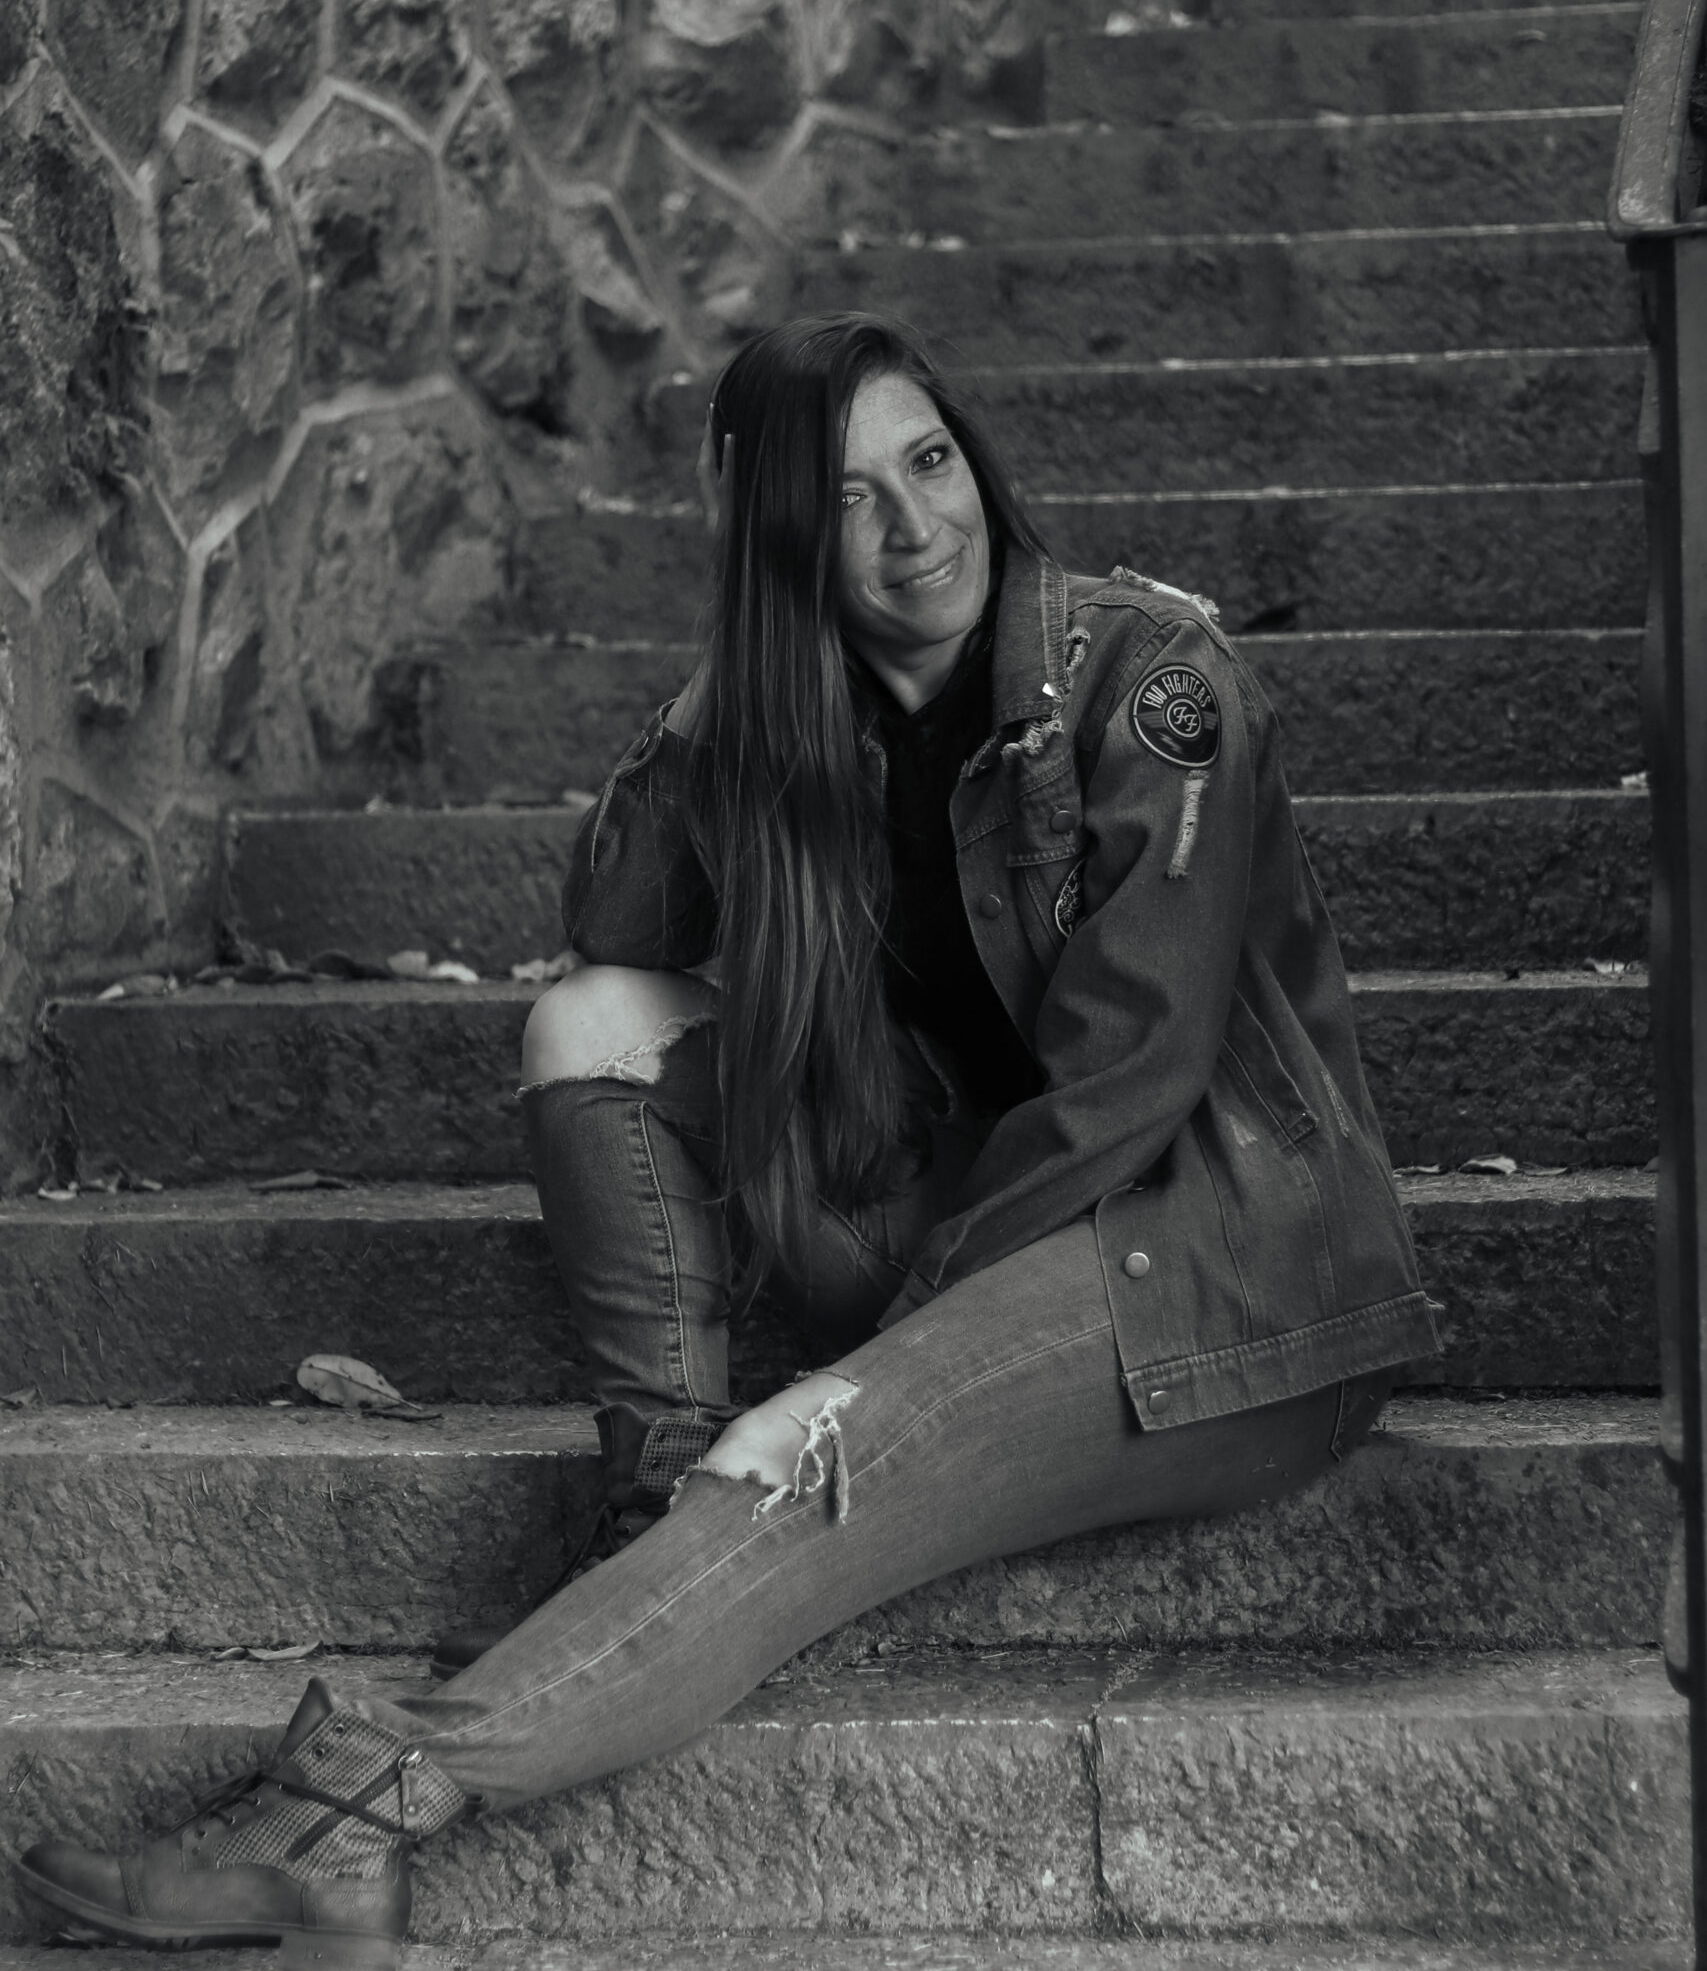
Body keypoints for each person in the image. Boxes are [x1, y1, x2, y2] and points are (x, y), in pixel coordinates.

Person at [17, 312, 1442, 1965]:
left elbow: (1135, 1079)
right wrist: (749, 665)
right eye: (845, 502)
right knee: (592, 1022)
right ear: (780, 549)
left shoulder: (1152, 682)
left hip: (1214, 1267)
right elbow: (618, 922)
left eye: (930, 462)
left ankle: (352, 1811)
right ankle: (655, 1522)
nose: (917, 528)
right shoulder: (803, 711)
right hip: (972, 1218)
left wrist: (874, 1373)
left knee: (811, 1466)